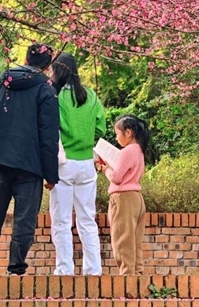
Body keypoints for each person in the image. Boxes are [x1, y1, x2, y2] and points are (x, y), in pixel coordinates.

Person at [0, 42, 59, 276]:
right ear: (48, 65)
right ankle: (16, 269)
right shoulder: (46, 90)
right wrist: (51, 173)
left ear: (25, 58)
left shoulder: (4, 82)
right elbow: (49, 135)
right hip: (30, 165)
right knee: (24, 221)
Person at [49, 52, 106, 275]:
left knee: (61, 221)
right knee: (87, 220)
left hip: (64, 163)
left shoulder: (56, 96)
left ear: (58, 70)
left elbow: (50, 129)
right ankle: (94, 270)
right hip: (86, 165)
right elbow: (100, 129)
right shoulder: (91, 95)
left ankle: (64, 270)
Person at [96, 115, 148, 275]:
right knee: (135, 241)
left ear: (128, 133)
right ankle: (137, 276)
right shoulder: (139, 150)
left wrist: (105, 169)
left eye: (118, 133)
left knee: (122, 240)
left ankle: (126, 279)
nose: (117, 138)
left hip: (123, 198)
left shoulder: (127, 152)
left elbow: (117, 178)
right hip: (137, 197)